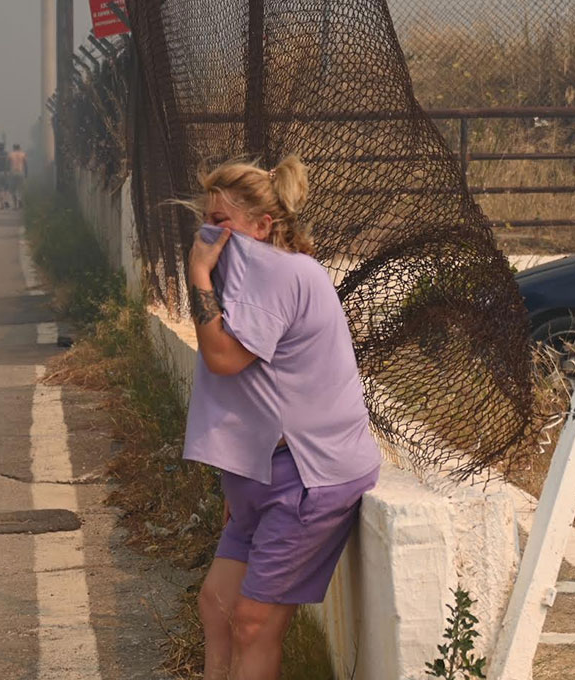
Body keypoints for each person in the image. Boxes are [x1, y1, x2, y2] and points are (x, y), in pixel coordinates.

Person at [182, 155, 381, 680]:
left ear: (262, 226)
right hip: (262, 474)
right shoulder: (258, 275)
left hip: (309, 477)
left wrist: (199, 270)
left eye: (220, 224)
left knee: (252, 623)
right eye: (206, 222)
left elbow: (222, 358)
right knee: (217, 607)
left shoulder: (281, 273)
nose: (209, 235)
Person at [8, 143, 28, 208]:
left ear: (13, 148)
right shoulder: (23, 154)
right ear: (19, 148)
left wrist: (7, 173)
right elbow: (25, 164)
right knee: (21, 189)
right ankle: (20, 199)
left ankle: (15, 206)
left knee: (13, 190)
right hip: (21, 172)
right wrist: (26, 174)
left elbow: (7, 165)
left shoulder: (10, 154)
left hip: (13, 173)